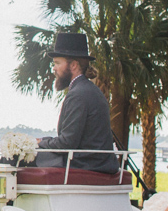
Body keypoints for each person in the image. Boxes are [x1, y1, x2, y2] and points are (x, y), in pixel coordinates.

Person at [32, 32, 118, 174]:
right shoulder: (90, 90)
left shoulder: (78, 94)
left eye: (57, 63)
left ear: (73, 65)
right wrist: (42, 140)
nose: (54, 68)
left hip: (85, 164)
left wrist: (40, 143)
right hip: (95, 161)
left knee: (16, 158)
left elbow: (66, 142)